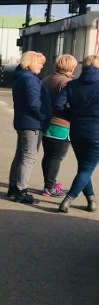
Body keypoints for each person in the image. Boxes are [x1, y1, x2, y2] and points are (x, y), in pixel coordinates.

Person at [55, 54, 99, 213]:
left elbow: (58, 104)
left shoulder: (72, 85)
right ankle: (68, 199)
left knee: (83, 167)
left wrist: (72, 116)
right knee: (86, 169)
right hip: (96, 134)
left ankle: (91, 200)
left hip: (77, 131)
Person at [6, 51, 51, 205]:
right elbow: (34, 103)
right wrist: (44, 116)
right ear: (30, 62)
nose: (42, 66)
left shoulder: (21, 77)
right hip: (31, 123)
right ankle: (21, 190)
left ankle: (13, 187)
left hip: (23, 121)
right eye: (39, 63)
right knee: (29, 156)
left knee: (20, 155)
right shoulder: (30, 80)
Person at [40, 54, 77, 197]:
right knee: (56, 157)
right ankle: (50, 187)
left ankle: (48, 184)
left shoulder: (47, 79)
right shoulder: (67, 83)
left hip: (46, 122)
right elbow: (68, 104)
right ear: (71, 67)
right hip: (61, 124)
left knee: (48, 155)